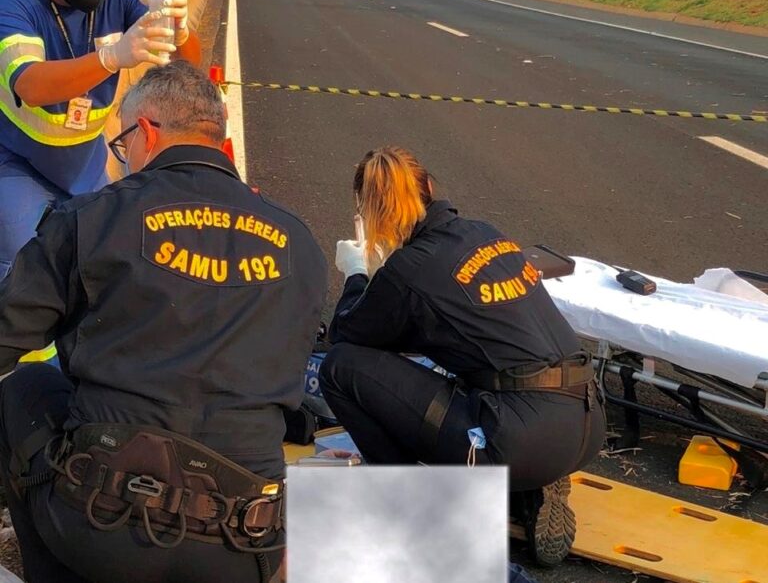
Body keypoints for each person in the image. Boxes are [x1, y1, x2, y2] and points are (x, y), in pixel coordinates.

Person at [0, 61, 327, 583]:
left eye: (122, 143)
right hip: (247, 543)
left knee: (24, 389)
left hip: (104, 525)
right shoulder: (301, 242)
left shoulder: (94, 216)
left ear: (145, 134)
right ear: (220, 143)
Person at [319, 146, 605, 567]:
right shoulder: (486, 233)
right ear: (431, 187)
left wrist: (358, 274)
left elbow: (348, 334)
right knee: (480, 373)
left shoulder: (408, 269)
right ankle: (532, 486)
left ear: (368, 214)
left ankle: (415, 504)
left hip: (517, 439)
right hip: (587, 416)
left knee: (341, 368)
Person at [0, 0, 202, 280]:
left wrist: (180, 27)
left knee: (96, 266)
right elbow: (30, 84)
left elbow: (187, 64)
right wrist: (111, 58)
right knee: (20, 264)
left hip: (85, 163)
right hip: (16, 160)